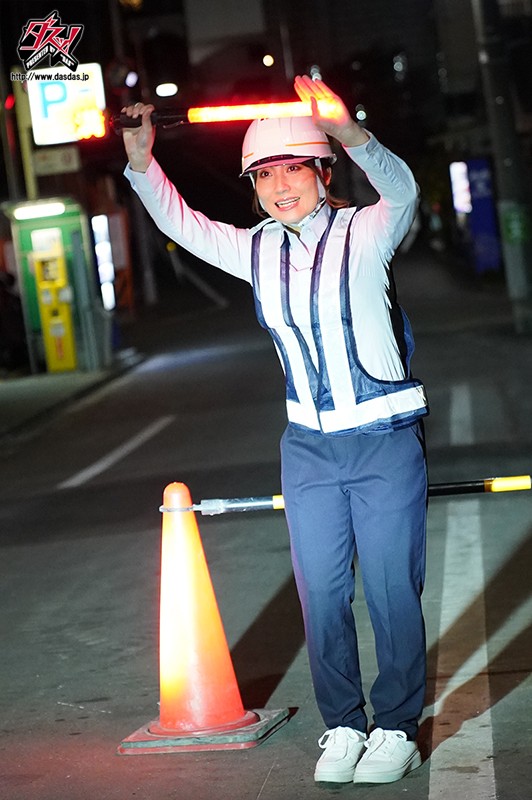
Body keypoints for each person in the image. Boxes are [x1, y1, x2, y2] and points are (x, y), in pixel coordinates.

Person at [121, 74, 429, 786]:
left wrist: (348, 131)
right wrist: (142, 162)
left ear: (323, 173)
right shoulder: (254, 250)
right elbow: (181, 224)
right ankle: (344, 725)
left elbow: (403, 188)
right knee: (320, 595)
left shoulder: (368, 231)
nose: (279, 185)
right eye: (264, 174)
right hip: (308, 450)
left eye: (293, 168)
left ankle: (397, 726)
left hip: (383, 440)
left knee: (391, 590)